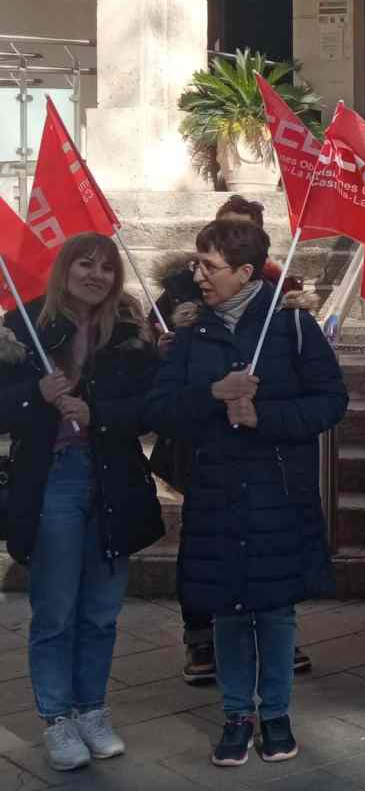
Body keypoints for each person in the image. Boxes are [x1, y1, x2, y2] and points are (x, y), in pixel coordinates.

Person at [144, 219, 348, 767]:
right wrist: (213, 393)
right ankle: (237, 714)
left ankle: (276, 713)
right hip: (215, 493)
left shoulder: (291, 327)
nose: (197, 276)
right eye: (196, 264)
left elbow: (331, 402)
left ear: (245, 272)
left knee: (276, 610)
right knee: (228, 609)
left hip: (277, 494)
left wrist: (265, 415)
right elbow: (159, 410)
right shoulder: (191, 332)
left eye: (208, 267)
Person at [0, 233, 164, 772]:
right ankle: (57, 717)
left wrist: (100, 414)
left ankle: (92, 709)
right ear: (63, 268)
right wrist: (34, 398)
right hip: (54, 479)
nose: (95, 274)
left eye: (106, 267)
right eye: (84, 264)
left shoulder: (132, 333)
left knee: (100, 611)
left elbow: (150, 408)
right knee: (55, 610)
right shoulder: (23, 326)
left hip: (114, 478)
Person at [151, 196, 312, 685]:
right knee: (206, 553)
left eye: (243, 234)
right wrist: (169, 354)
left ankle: (273, 638)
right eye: (224, 231)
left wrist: (265, 414)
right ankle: (200, 636)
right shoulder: (182, 292)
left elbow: (322, 394)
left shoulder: (282, 298)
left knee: (266, 552)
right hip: (201, 456)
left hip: (267, 467)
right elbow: (159, 398)